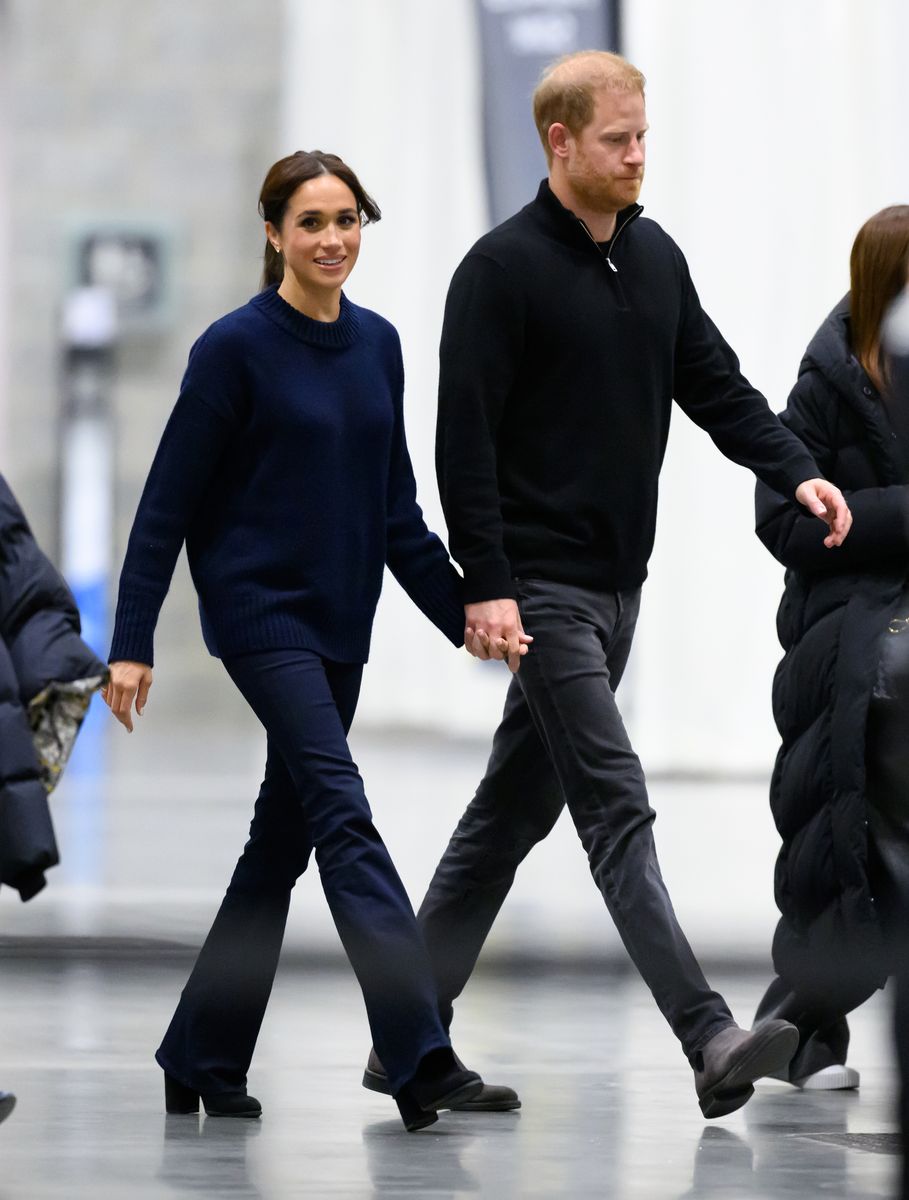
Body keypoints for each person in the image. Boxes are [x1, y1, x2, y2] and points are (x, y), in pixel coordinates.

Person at [362, 50, 853, 1119]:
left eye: (644, 138)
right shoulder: (498, 271)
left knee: (505, 816)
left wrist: (798, 471)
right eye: (619, 141)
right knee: (616, 807)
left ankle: (404, 1037)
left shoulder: (655, 256)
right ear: (560, 142)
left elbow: (715, 385)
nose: (638, 157)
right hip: (542, 597)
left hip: (619, 592)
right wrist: (484, 584)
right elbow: (463, 444)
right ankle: (708, 1034)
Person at [102, 150, 484, 1132]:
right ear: (273, 232)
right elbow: (168, 503)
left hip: (339, 625)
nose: (333, 240)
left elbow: (395, 511)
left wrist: (466, 616)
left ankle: (201, 1050)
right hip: (260, 621)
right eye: (312, 222)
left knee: (281, 846)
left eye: (348, 219)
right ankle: (418, 1050)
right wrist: (132, 638)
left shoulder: (379, 345)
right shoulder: (234, 349)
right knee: (344, 812)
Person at [750, 207, 909, 1099]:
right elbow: (782, 521)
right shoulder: (822, 386)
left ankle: (796, 1023)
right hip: (844, 622)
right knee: (846, 809)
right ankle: (804, 1022)